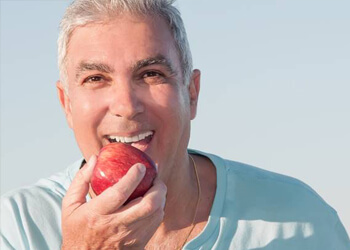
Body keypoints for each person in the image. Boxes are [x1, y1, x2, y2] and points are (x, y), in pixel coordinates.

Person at [1, 0, 349, 249]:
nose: (126, 106)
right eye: (95, 78)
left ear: (192, 93)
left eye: (151, 74)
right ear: (66, 105)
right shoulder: (16, 229)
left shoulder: (301, 219)